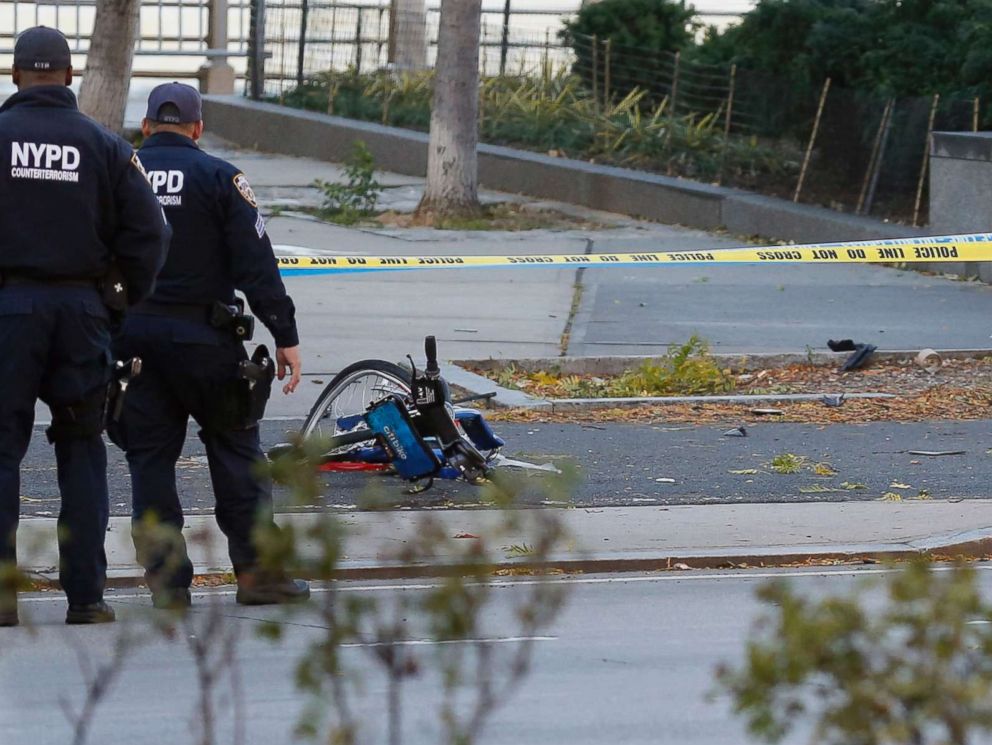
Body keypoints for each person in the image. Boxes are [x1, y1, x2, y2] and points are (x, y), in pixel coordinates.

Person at [111, 82, 309, 610]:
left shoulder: (119, 172)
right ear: (198, 129)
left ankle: (167, 583)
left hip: (135, 340)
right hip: (206, 341)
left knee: (149, 459)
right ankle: (258, 575)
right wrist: (284, 334)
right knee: (237, 451)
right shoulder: (222, 177)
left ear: (148, 125)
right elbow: (256, 266)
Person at [0, 27, 169, 626]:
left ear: (15, 75)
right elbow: (151, 234)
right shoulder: (105, 146)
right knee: (81, 450)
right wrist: (117, 302)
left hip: (9, 315)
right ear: (69, 77)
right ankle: (86, 597)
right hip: (82, 316)